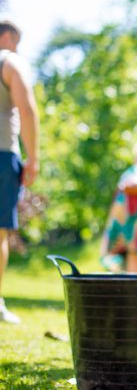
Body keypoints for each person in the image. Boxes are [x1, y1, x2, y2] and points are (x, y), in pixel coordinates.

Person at [0, 21, 38, 324]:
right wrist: (33, 157)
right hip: (2, 153)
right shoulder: (10, 62)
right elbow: (26, 110)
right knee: (0, 231)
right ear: (8, 36)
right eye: (17, 40)